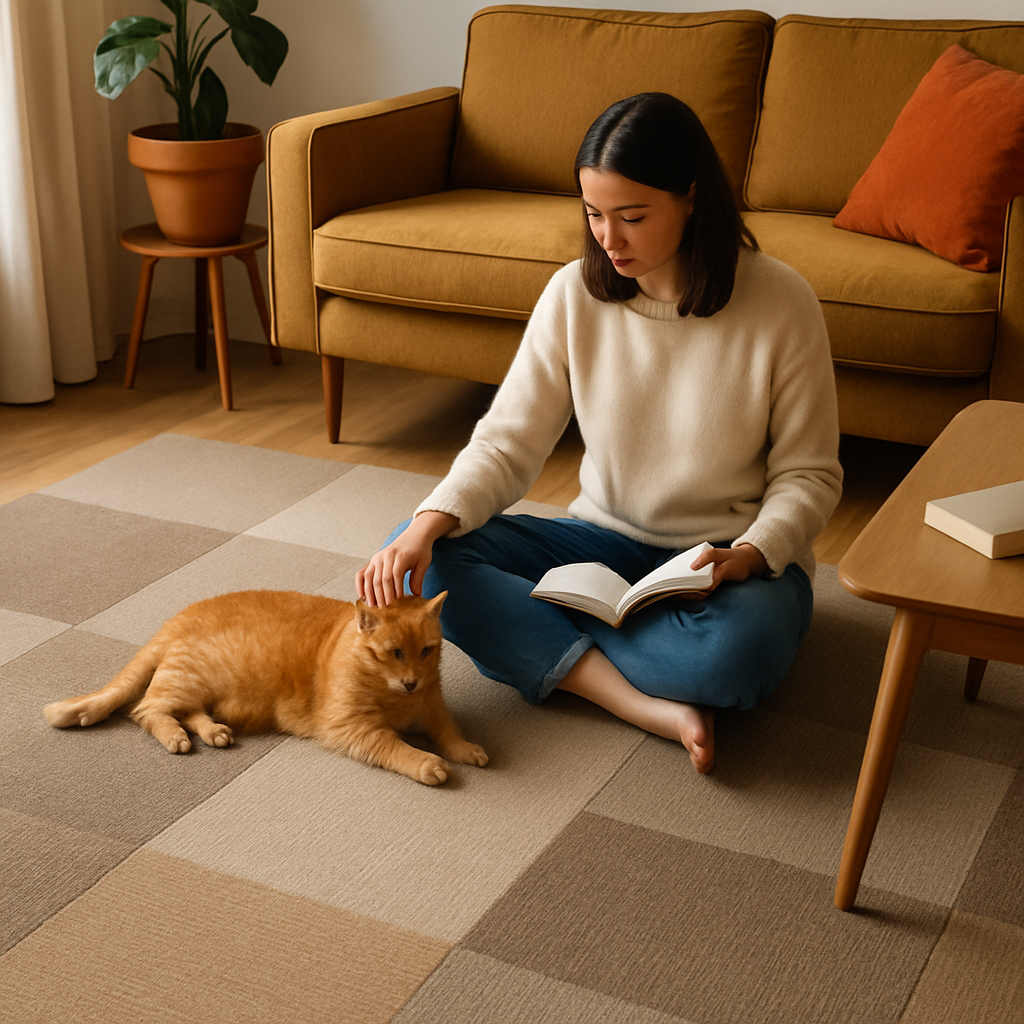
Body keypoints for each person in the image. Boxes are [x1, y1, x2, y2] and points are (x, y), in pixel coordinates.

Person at [356, 93, 842, 774]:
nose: (608, 239)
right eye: (593, 214)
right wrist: (427, 524)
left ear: (691, 197)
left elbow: (809, 474)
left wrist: (754, 553)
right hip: (599, 545)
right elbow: (507, 442)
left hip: (723, 563)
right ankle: (636, 701)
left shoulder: (782, 302)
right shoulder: (572, 294)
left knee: (733, 656)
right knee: (419, 563)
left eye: (632, 217)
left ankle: (552, 636)